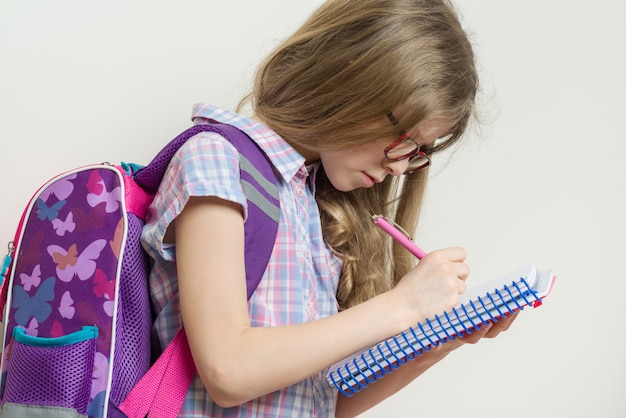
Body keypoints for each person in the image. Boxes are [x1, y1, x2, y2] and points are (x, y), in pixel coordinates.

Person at [141, 0, 517, 416]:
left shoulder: (317, 205)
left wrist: (435, 339)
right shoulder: (216, 162)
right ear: (350, 83)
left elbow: (323, 400)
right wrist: (403, 305)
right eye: (402, 139)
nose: (399, 167)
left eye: (418, 152)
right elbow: (228, 370)